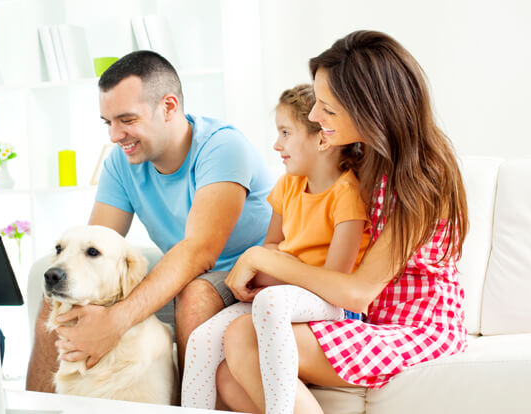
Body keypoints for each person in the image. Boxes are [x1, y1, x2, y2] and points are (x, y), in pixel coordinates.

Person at [213, 30, 470, 414]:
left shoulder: (422, 177)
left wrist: (264, 258)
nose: (315, 117)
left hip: (414, 328)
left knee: (244, 337)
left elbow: (358, 292)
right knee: (227, 379)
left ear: (370, 109)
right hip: (363, 320)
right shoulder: (362, 157)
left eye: (328, 109)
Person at [26, 50, 275, 392]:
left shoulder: (223, 147)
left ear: (169, 107)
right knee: (59, 295)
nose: (115, 135)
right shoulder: (120, 162)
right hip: (185, 279)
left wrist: (114, 321)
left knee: (195, 297)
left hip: (249, 281)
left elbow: (199, 252)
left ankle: (189, 408)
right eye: (108, 122)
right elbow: (96, 245)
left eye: (126, 120)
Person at [182, 84, 368, 412]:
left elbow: (335, 280)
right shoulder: (287, 185)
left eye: (285, 133)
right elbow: (271, 244)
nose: (276, 144)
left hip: (332, 304)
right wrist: (271, 270)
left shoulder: (347, 196)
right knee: (201, 340)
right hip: (284, 293)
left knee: (270, 301)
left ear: (322, 140)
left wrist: (274, 272)